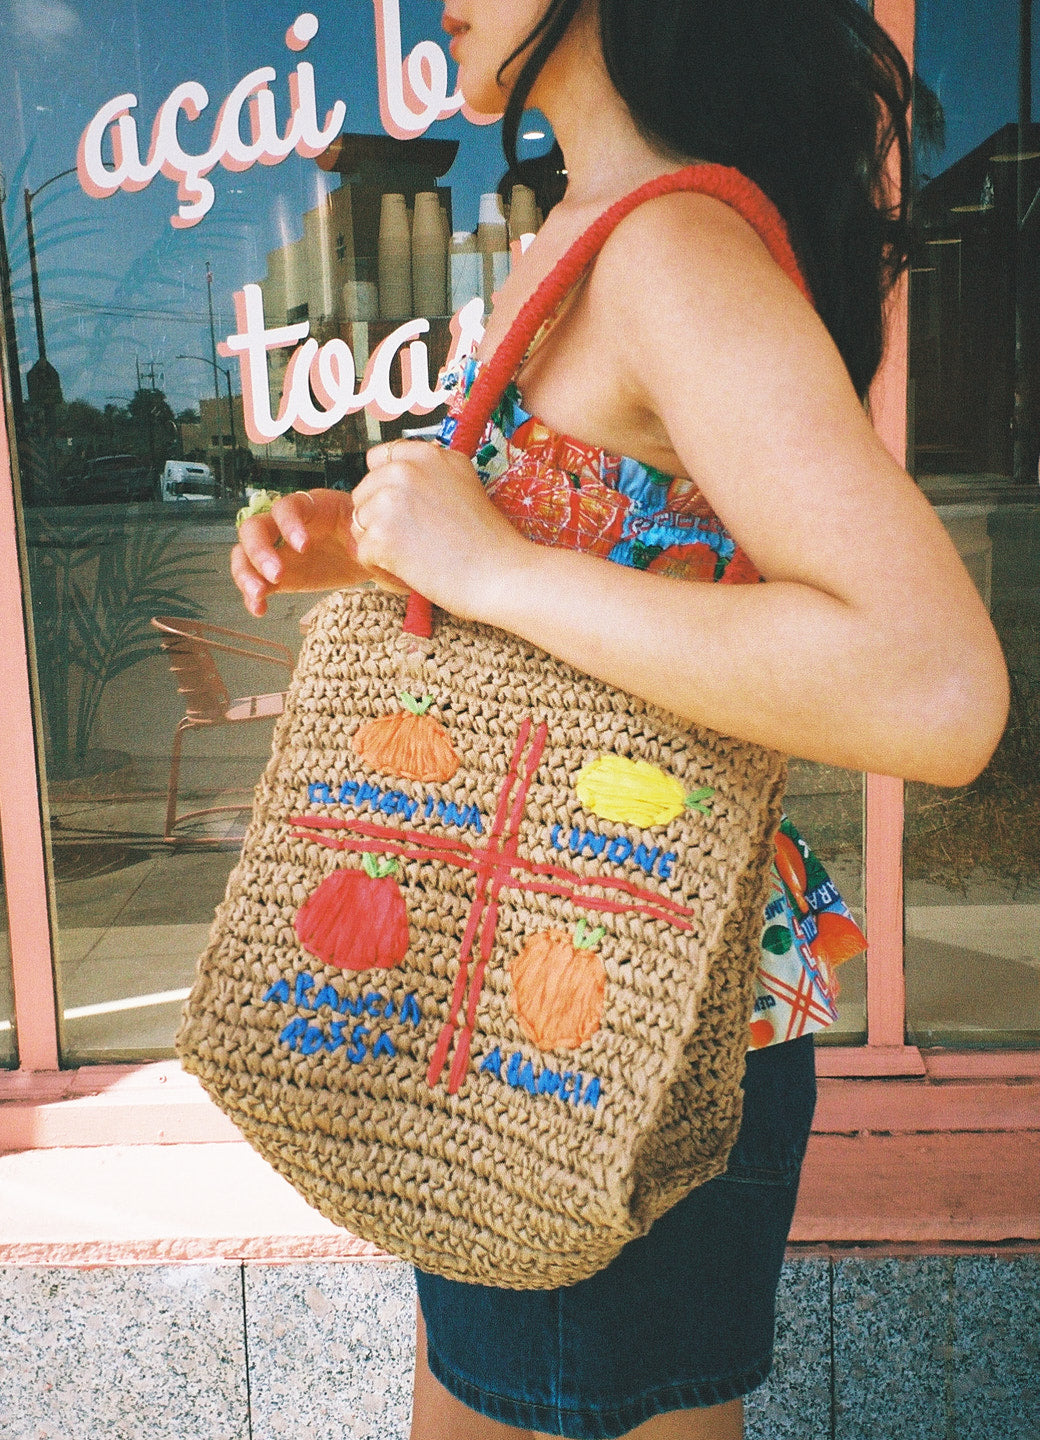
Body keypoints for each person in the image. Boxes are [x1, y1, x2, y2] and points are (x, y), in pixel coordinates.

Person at [232, 2, 1009, 1435]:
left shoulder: (669, 252)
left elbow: (937, 688)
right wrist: (400, 549)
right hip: (548, 994)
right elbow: (631, 556)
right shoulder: (595, 230)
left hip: (618, 1022)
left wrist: (499, 566)